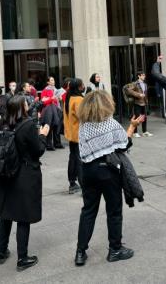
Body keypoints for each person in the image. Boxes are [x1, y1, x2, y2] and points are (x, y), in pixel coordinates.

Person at [75, 90, 143, 266]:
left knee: (88, 210)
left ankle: (80, 252)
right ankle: (115, 249)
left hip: (88, 170)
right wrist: (132, 127)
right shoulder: (110, 123)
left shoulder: (84, 125)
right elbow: (123, 144)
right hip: (108, 170)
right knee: (114, 210)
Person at [0, 95, 50, 271]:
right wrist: (43, 135)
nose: (28, 105)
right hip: (24, 173)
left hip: (5, 173)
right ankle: (23, 257)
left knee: (6, 213)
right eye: (26, 103)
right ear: (21, 107)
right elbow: (38, 150)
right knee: (22, 216)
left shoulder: (3, 123)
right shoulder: (27, 125)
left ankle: (2, 250)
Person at [63, 78, 84, 194]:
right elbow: (83, 116)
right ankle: (83, 184)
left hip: (71, 133)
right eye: (82, 85)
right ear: (79, 87)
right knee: (79, 159)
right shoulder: (78, 99)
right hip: (78, 134)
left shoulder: (68, 97)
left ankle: (72, 182)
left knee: (73, 157)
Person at [124, 71, 151, 138]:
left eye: (144, 75)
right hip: (137, 103)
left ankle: (144, 131)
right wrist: (138, 95)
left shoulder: (145, 84)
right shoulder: (135, 84)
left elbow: (145, 94)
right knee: (136, 117)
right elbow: (128, 90)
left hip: (144, 103)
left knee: (144, 117)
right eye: (142, 75)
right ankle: (135, 132)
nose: (144, 76)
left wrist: (146, 101)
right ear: (139, 76)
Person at [40, 76, 63, 150]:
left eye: (53, 80)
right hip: (48, 110)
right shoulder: (45, 90)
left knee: (57, 126)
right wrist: (51, 99)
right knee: (49, 127)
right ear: (48, 82)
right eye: (52, 80)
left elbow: (57, 101)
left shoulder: (56, 90)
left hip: (56, 109)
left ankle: (57, 143)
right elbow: (43, 102)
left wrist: (59, 98)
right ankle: (49, 145)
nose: (53, 81)